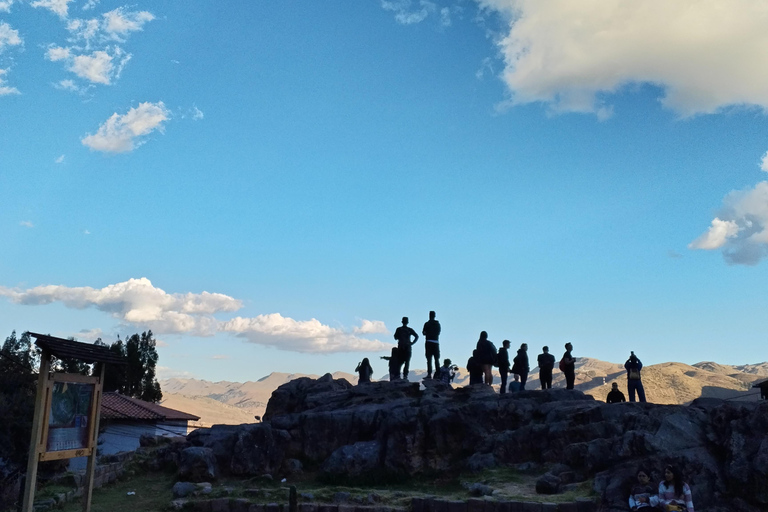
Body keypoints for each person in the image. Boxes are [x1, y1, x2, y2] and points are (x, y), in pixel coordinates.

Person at [422, 311, 441, 379]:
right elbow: (439, 332)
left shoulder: (427, 324)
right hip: (436, 342)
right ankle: (438, 374)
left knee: (429, 359)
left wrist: (428, 333)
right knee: (436, 359)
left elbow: (423, 332)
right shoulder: (437, 324)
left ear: (429, 315)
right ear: (434, 316)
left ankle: (429, 374)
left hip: (429, 342)